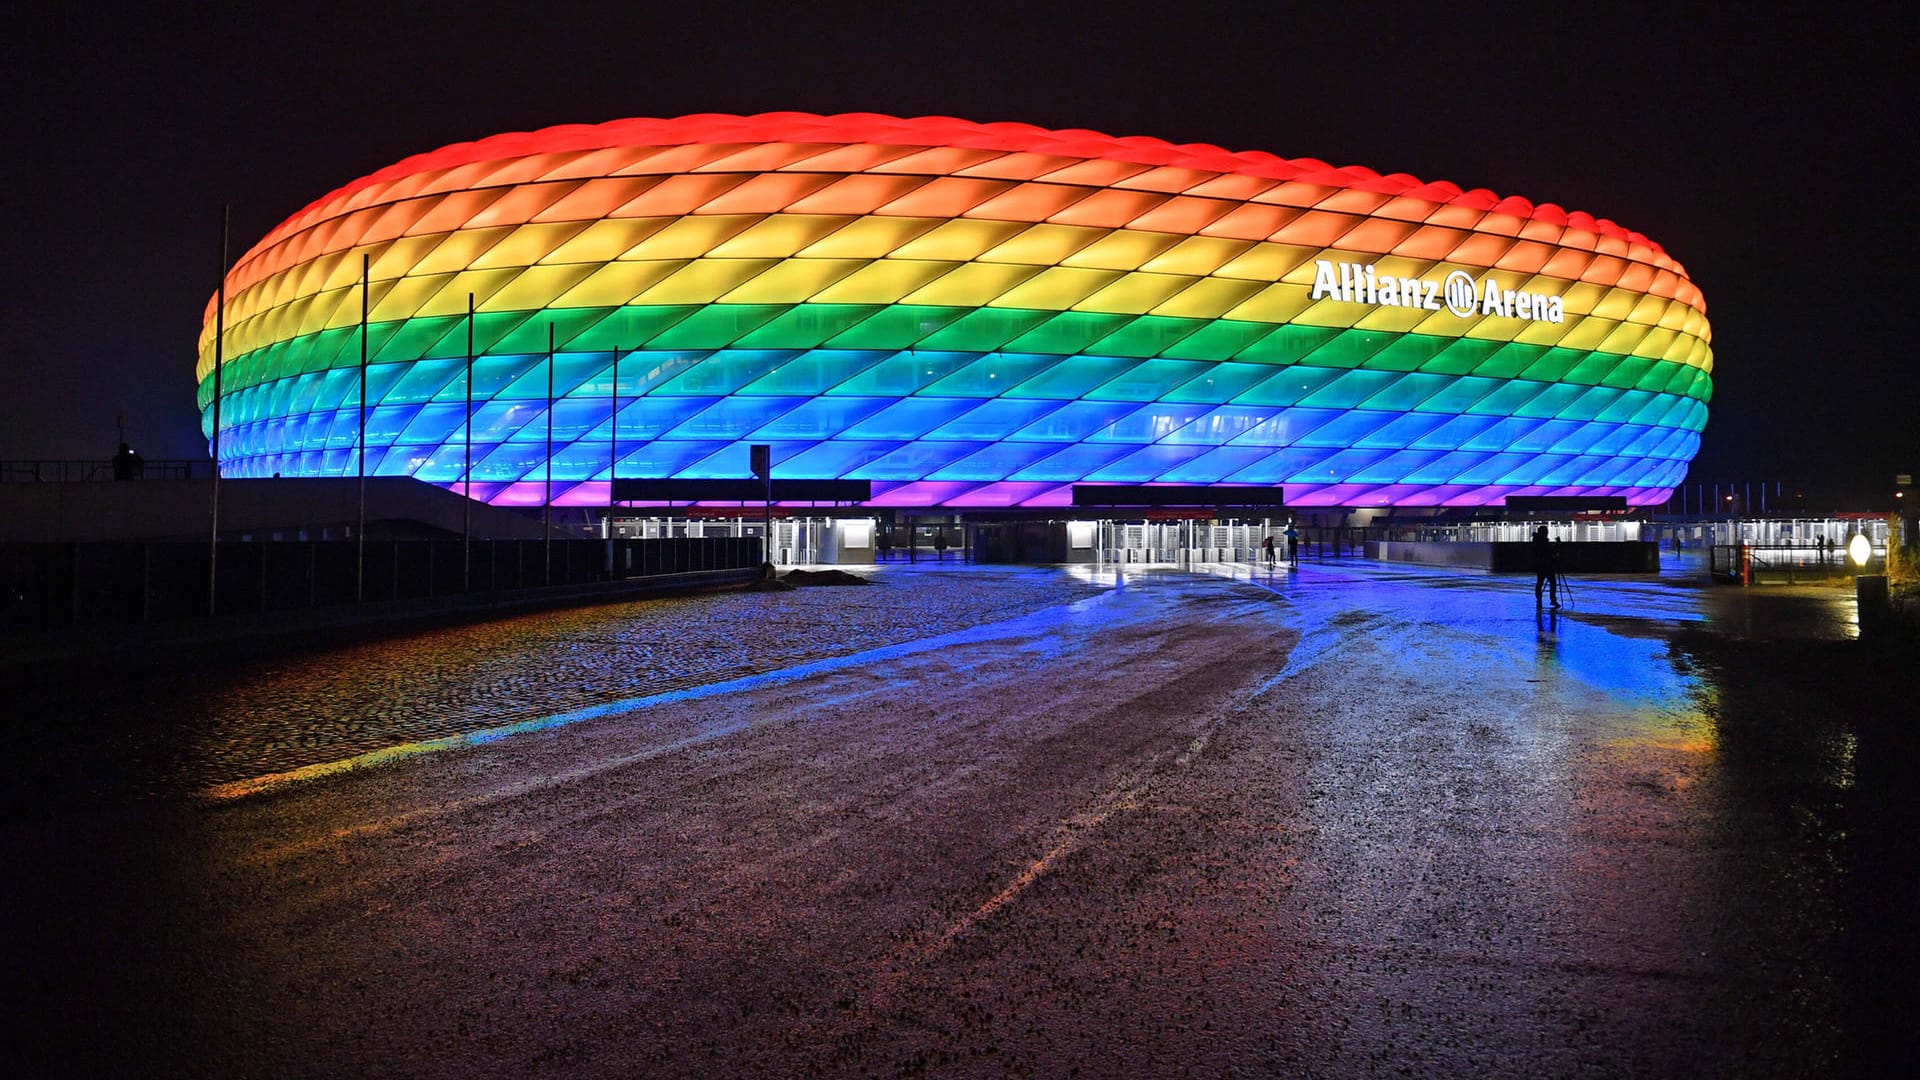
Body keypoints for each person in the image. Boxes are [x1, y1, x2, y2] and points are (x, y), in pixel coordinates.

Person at [1532, 525, 1558, 610]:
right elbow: (1550, 551)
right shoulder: (1543, 542)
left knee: (1539, 583)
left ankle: (1539, 601)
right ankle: (1552, 600)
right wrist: (1557, 545)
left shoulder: (1537, 541)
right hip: (1546, 565)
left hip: (1540, 565)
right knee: (1552, 582)